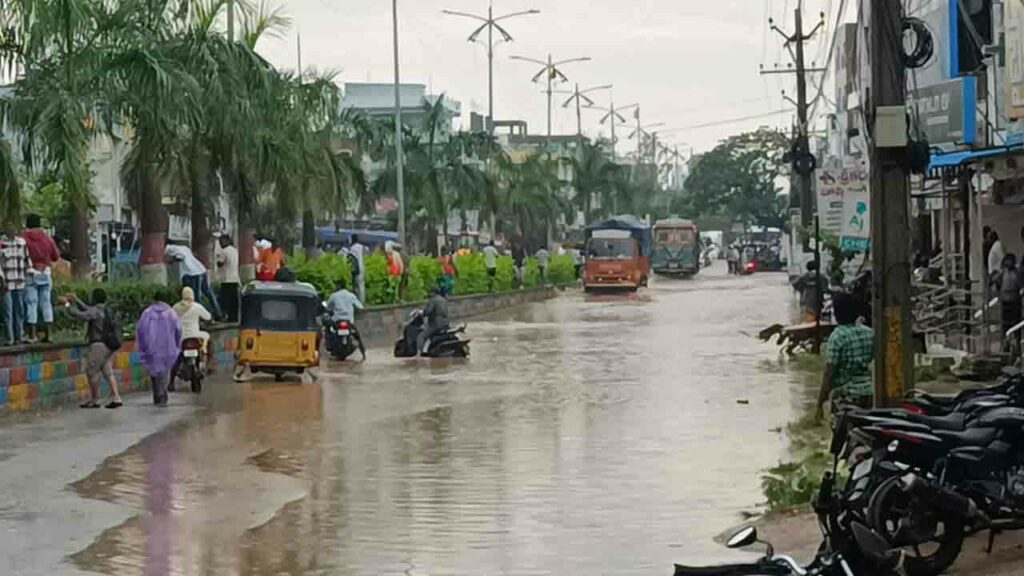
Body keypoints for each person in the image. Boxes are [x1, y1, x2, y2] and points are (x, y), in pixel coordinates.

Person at [816, 293, 874, 420]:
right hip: (870, 392)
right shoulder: (869, 333)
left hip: (846, 396)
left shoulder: (837, 336)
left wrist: (820, 403)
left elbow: (829, 373)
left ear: (836, 314)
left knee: (840, 435)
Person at [63, 289, 123, 409]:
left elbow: (80, 314)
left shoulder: (95, 311)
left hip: (98, 345)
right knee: (107, 371)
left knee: (92, 372)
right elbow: (87, 308)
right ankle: (117, 397)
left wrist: (67, 304)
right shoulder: (105, 310)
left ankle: (96, 400)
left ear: (94, 298)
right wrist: (76, 300)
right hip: (109, 345)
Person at [136, 294, 182, 406]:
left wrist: (142, 346)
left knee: (154, 372)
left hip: (152, 348)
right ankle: (162, 394)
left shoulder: (147, 313)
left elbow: (140, 330)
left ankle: (157, 394)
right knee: (165, 372)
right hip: (168, 348)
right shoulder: (171, 313)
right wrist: (177, 344)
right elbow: (178, 330)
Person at [22, 214, 60, 343]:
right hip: (46, 272)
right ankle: (49, 334)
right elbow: (56, 257)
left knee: (31, 303)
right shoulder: (48, 239)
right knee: (46, 302)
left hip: (30, 273)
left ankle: (32, 335)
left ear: (27, 224)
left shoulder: (23, 239)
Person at [165, 243, 223, 320]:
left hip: (192, 273)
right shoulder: (183, 247)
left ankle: (200, 318)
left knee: (196, 297)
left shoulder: (169, 249)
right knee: (208, 292)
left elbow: (181, 256)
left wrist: (171, 260)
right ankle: (218, 314)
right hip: (200, 269)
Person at [171, 287, 212, 389]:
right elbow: (208, 317)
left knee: (176, 358)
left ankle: (171, 382)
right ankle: (205, 355)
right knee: (207, 337)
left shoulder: (176, 307)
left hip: (181, 338)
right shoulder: (197, 307)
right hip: (196, 335)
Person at [1, 229, 30, 345]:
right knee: (8, 311)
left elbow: (27, 260)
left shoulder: (21, 243)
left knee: (20, 310)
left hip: (19, 282)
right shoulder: (2, 244)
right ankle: (10, 338)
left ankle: (19, 336)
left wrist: (28, 275)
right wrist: (2, 280)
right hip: (6, 283)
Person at [325, 277, 366, 360]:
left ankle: (329, 345)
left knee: (327, 328)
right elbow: (360, 307)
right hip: (349, 321)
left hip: (337, 320)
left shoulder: (334, 296)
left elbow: (328, 307)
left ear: (339, 286)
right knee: (357, 336)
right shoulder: (351, 295)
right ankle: (363, 354)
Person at [993, 254, 1024, 354]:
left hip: (1014, 301)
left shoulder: (1017, 273)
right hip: (1007, 301)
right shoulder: (1005, 273)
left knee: (1014, 325)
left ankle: (1016, 345)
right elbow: (996, 283)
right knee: (1006, 325)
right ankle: (1006, 344)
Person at [215, 234, 240, 323]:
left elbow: (220, 263)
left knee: (225, 300)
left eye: (221, 241)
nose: (220, 243)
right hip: (235, 278)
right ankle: (234, 318)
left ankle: (226, 317)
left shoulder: (224, 251)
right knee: (234, 300)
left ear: (226, 241)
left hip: (226, 279)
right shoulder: (235, 251)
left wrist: (217, 257)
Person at [418, 286, 450, 353]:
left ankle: (418, 353)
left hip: (436, 324)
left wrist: (422, 313)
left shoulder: (433, 300)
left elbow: (428, 311)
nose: (428, 294)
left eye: (429, 292)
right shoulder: (443, 299)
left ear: (433, 293)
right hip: (446, 323)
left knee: (421, 336)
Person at [348, 235, 367, 303]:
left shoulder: (353, 248)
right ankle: (362, 301)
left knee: (357, 286)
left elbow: (350, 258)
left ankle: (358, 301)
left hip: (357, 268)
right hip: (362, 267)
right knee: (362, 286)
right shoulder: (362, 246)